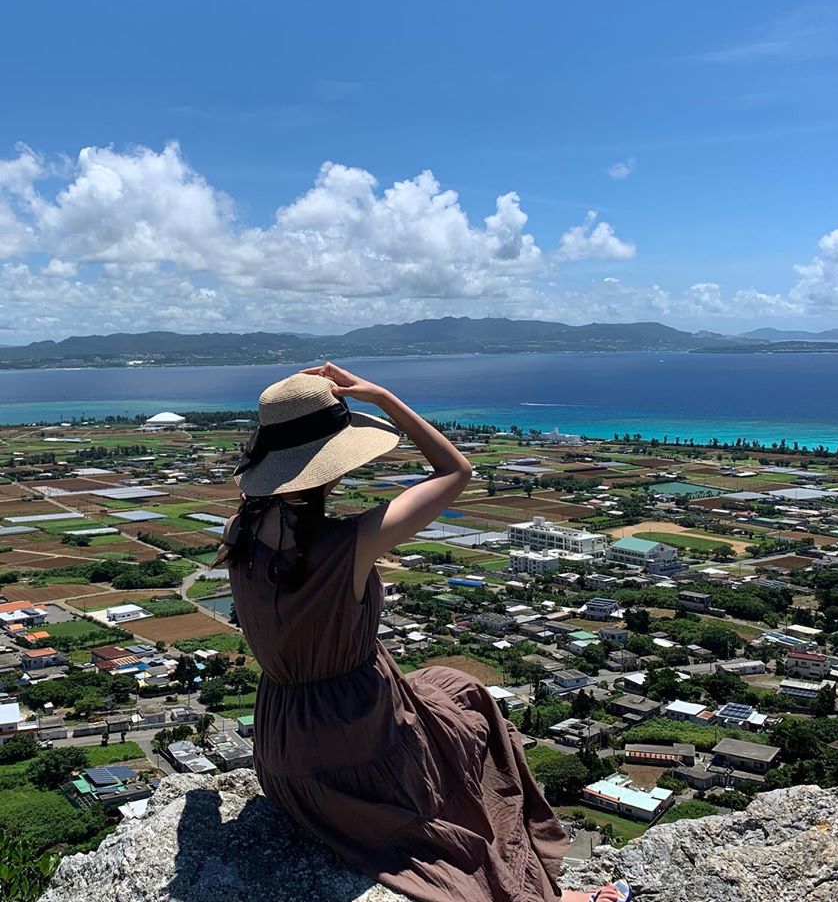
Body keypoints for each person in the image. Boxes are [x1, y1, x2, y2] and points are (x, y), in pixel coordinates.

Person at [213, 363, 625, 902]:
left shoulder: (239, 529)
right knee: (468, 712)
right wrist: (383, 396)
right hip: (358, 736)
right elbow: (456, 471)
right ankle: (541, 893)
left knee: (448, 688)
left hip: (284, 748)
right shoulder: (347, 543)